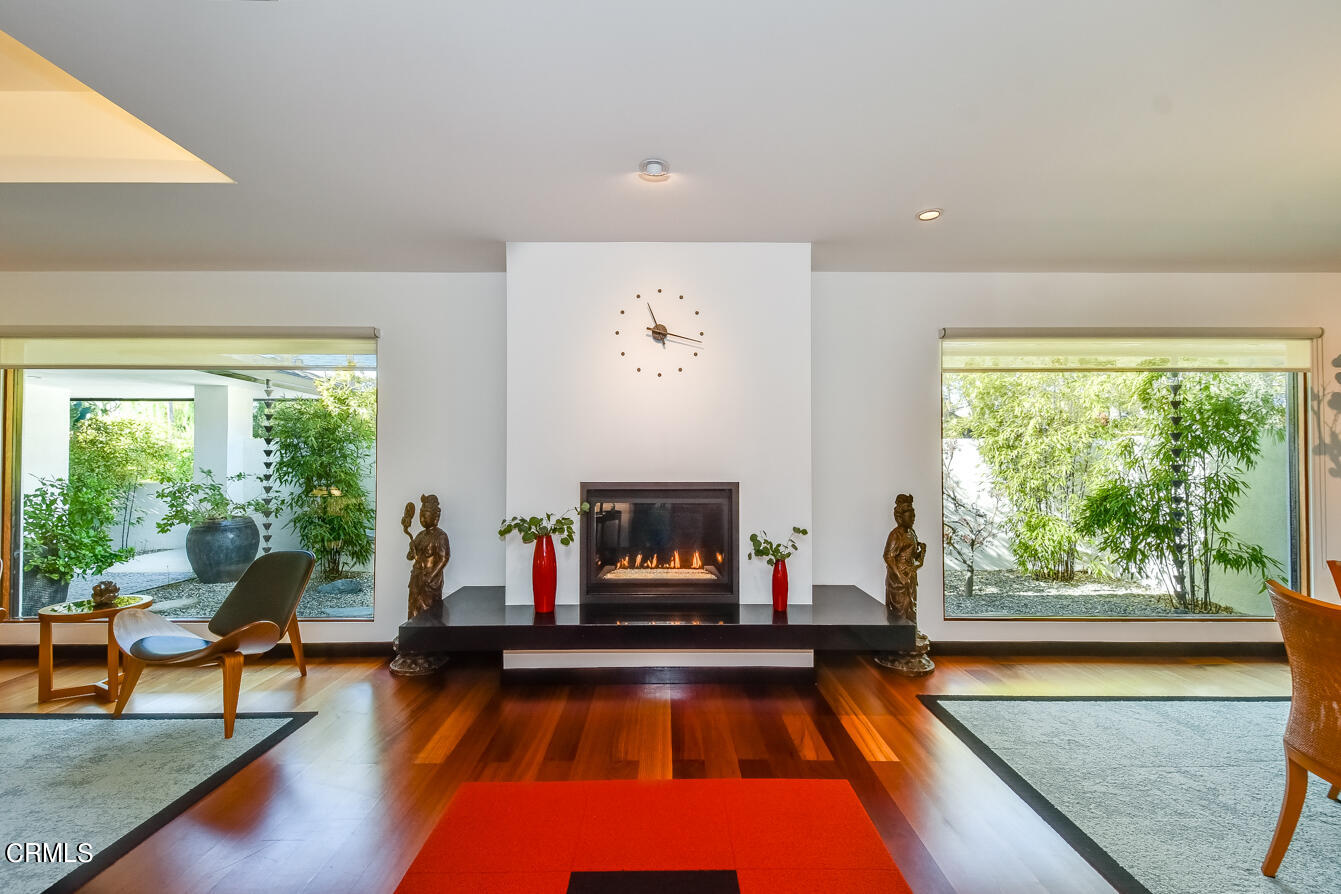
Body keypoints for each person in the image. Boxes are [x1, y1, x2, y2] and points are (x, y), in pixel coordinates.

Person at [404, 494, 450, 618]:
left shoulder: (440, 536)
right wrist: (412, 550)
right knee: (412, 606)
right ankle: (411, 634)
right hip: (416, 577)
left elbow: (444, 558)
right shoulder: (420, 535)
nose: (422, 518)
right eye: (421, 514)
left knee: (428, 610)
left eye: (425, 514)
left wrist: (431, 576)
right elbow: (411, 557)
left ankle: (428, 635)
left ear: (435, 516)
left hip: (430, 581)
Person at [883, 494, 926, 624]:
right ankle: (900, 637)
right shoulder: (896, 534)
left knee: (912, 606)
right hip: (898, 579)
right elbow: (888, 556)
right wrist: (900, 576)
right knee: (900, 609)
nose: (913, 519)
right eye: (910, 516)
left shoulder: (912, 533)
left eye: (914, 516)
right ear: (900, 517)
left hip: (910, 576)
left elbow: (912, 555)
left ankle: (912, 634)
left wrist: (921, 552)